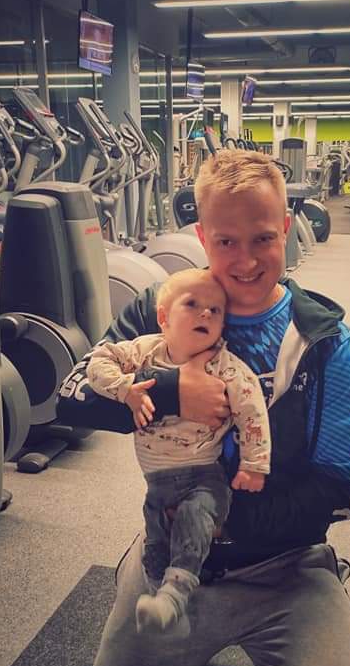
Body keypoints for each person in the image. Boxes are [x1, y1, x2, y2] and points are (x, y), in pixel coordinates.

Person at [57, 149, 350, 666]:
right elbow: (71, 397)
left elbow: (345, 490)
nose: (245, 259)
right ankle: (159, 612)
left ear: (286, 228)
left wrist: (218, 523)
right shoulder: (160, 308)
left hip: (284, 568)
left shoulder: (329, 344)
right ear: (202, 237)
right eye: (226, 241)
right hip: (169, 558)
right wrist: (172, 391)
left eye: (262, 238)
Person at [84, 268, 270, 636]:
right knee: (156, 540)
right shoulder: (144, 351)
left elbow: (252, 410)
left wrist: (254, 464)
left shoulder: (225, 365)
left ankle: (175, 595)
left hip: (204, 474)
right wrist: (127, 389)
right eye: (193, 304)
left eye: (216, 310)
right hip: (156, 480)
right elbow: (97, 362)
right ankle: (165, 605)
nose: (206, 313)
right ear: (163, 317)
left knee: (194, 520)